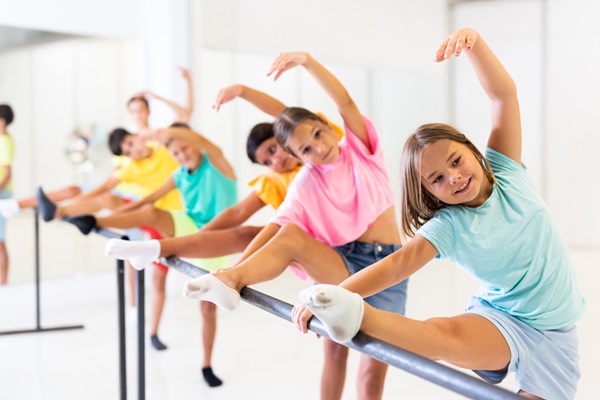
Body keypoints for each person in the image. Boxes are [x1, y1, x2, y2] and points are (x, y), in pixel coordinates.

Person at [295, 28, 586, 400]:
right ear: (429, 193)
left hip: (556, 336)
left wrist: (475, 44)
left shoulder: (507, 170)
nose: (455, 177)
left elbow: (503, 95)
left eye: (456, 161)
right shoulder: (448, 226)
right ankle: (353, 317)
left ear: (473, 150)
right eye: (437, 179)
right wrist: (338, 295)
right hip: (501, 320)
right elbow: (396, 266)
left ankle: (493, 364)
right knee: (441, 335)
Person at [181, 53, 409, 400]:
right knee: (333, 349)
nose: (319, 147)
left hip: (390, 268)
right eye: (306, 149)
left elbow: (339, 101)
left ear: (325, 125)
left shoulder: (360, 149)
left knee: (372, 373)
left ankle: (229, 275)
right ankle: (229, 280)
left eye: (319, 134)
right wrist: (234, 270)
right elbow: (275, 229)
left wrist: (305, 62)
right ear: (298, 157)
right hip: (346, 263)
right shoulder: (307, 179)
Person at [67, 124, 238, 386]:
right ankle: (101, 226)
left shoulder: (217, 163)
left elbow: (203, 140)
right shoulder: (179, 173)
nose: (182, 155)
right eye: (176, 153)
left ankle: (206, 364)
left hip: (219, 238)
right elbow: (148, 201)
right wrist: (103, 220)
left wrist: (170, 134)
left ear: (195, 143)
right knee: (151, 215)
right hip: (189, 225)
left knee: (207, 309)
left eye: (185, 147)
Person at [0, 104, 15, 285]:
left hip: (2, 195)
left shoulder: (4, 141)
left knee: (0, 242)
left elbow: (7, 173)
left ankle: (3, 284)